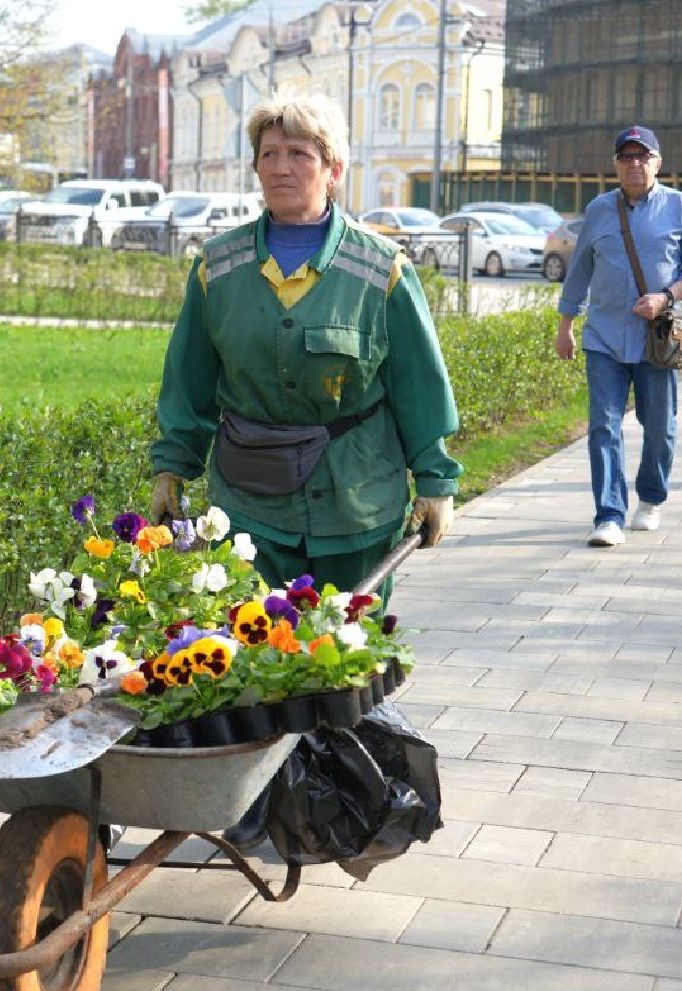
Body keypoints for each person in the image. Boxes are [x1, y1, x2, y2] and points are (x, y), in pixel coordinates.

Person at [147, 90, 461, 850]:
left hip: (357, 500)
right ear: (253, 168)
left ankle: (346, 804)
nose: (282, 167)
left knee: (342, 660)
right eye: (269, 154)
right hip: (251, 503)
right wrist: (170, 470)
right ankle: (265, 804)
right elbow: (187, 380)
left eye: (299, 154)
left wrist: (437, 482)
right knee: (255, 655)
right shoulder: (218, 268)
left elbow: (420, 382)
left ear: (332, 169)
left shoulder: (378, 269)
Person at [555, 126, 682, 545]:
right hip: (603, 337)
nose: (635, 163)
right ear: (616, 166)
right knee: (603, 425)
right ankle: (608, 514)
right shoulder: (599, 210)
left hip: (656, 340)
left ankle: (650, 498)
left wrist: (665, 297)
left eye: (643, 156)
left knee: (658, 425)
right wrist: (565, 325)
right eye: (626, 157)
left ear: (658, 162)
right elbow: (581, 270)